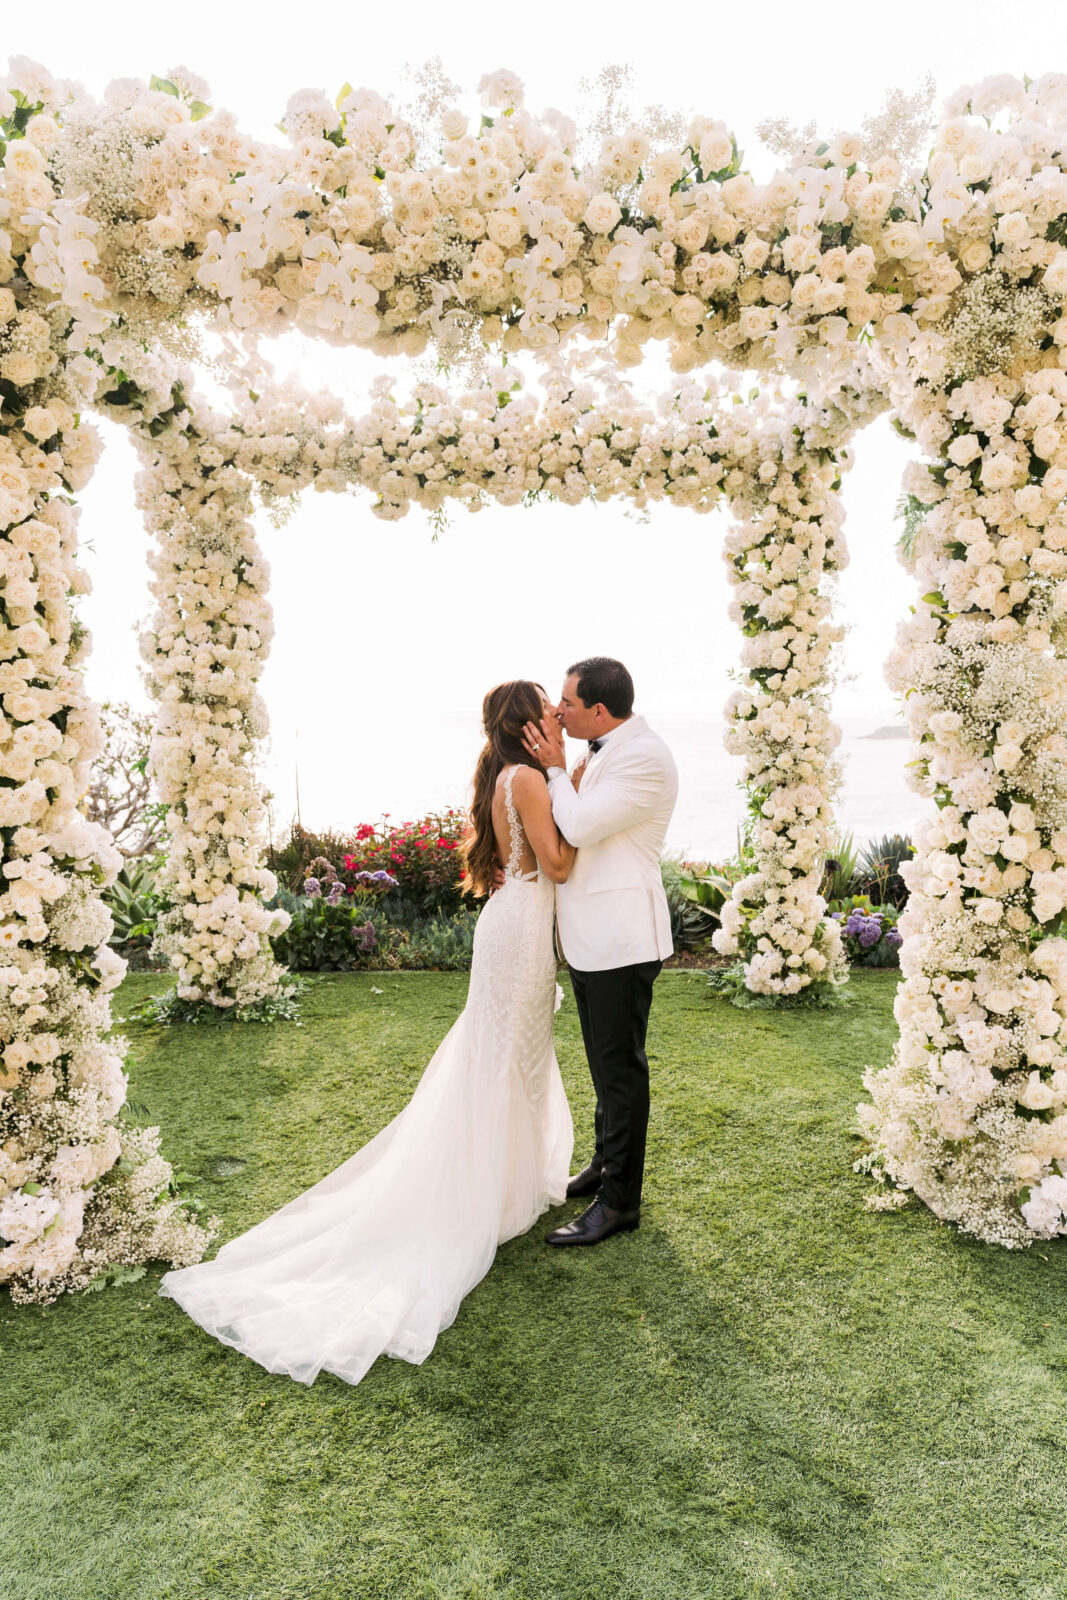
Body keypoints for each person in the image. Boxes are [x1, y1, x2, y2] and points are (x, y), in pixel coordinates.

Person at [158, 681, 576, 1387]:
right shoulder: (531, 779)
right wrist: (565, 776)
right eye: (545, 706)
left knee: (506, 1058)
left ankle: (504, 1182)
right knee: (505, 1059)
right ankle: (483, 1193)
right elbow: (558, 864)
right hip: (523, 927)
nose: (553, 715)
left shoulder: (505, 774)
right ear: (527, 724)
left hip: (511, 926)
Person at [522, 656, 678, 1247]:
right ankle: (602, 1167)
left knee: (620, 1072)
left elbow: (582, 828)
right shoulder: (601, 751)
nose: (558, 711)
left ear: (599, 710)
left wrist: (556, 771)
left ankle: (620, 1204)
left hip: (621, 939)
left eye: (567, 703)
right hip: (591, 939)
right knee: (601, 1066)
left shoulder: (644, 756)